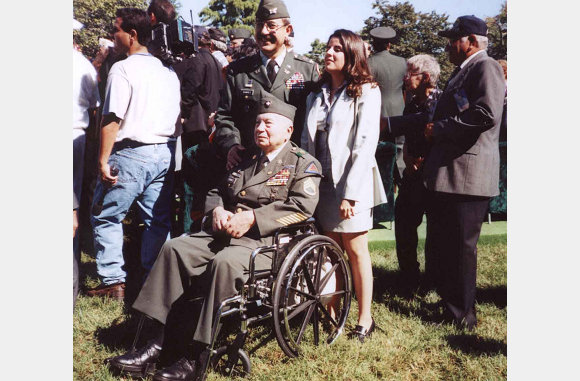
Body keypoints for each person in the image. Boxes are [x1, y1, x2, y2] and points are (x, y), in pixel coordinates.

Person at [106, 93, 322, 380]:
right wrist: (217, 209)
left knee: (225, 263)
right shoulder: (246, 158)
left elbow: (301, 208)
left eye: (268, 123)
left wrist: (254, 217)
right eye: (257, 123)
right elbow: (217, 191)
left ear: (288, 130)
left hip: (267, 244)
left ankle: (195, 356)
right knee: (174, 249)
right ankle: (153, 343)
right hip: (224, 232)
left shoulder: (302, 164)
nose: (260, 128)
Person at [87, 8, 181, 300]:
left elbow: (112, 118)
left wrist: (103, 160)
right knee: (157, 220)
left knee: (106, 215)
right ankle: (155, 278)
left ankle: (112, 280)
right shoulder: (167, 72)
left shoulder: (123, 69)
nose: (113, 36)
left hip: (131, 153)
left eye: (116, 30)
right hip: (163, 152)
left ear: (132, 35)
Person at [302, 29, 386, 342]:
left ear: (351, 54)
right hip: (320, 184)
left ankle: (365, 319)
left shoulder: (366, 90)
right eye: (327, 47)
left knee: (355, 250)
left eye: (337, 48)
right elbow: (304, 140)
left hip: (353, 183)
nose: (329, 53)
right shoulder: (316, 93)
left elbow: (365, 145)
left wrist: (350, 193)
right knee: (330, 251)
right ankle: (332, 311)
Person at [423, 16, 505, 330]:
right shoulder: (464, 71)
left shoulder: (486, 67)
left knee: (461, 247)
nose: (447, 45)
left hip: (469, 176)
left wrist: (439, 129)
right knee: (449, 244)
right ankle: (452, 306)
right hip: (456, 174)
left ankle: (463, 316)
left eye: (452, 39)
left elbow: (485, 114)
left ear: (469, 41)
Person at [213, 0, 319, 173]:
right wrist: (231, 145)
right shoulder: (238, 71)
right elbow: (224, 116)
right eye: (259, 25)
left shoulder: (306, 70)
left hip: (292, 166)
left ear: (288, 30)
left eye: (271, 26)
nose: (263, 32)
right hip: (247, 165)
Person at [380, 54, 441, 292]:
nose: (404, 78)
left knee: (436, 233)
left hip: (435, 178)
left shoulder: (442, 101)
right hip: (413, 176)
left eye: (409, 73)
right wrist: (406, 156)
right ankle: (409, 276)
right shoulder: (412, 101)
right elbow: (408, 136)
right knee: (404, 224)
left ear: (425, 77)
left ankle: (433, 280)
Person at [73, 18, 100, 307]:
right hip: (77, 137)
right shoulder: (82, 65)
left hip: (75, 137)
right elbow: (95, 107)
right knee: (73, 206)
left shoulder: (83, 65)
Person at [368, 26, 407, 184]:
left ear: (373, 44)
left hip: (378, 115)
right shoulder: (402, 62)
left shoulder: (369, 63)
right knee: (401, 153)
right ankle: (402, 183)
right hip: (400, 112)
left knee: (381, 155)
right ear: (389, 44)